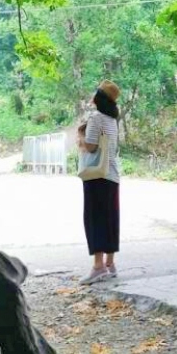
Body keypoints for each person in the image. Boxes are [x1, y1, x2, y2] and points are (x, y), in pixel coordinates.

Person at [77, 79, 120, 284]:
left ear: (98, 98)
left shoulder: (96, 118)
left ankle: (98, 266)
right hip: (112, 174)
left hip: (96, 176)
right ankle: (110, 264)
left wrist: (81, 140)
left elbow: (92, 146)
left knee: (95, 219)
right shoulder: (112, 120)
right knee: (110, 219)